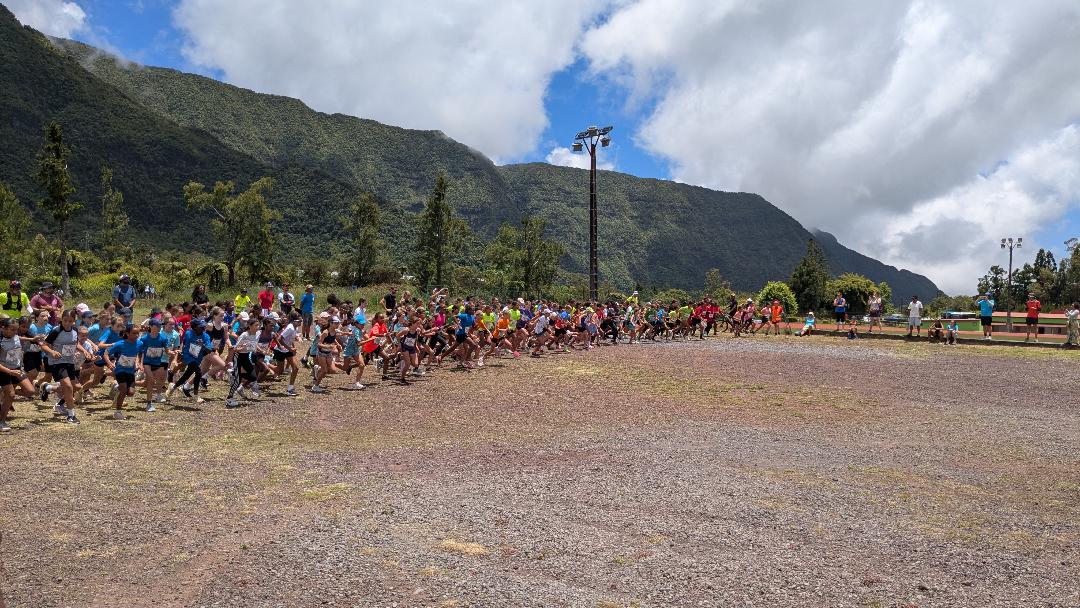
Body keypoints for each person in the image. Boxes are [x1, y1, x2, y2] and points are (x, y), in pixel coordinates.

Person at [0, 317, 37, 433]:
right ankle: (2, 421)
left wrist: (32, 339)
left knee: (30, 391)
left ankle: (4, 393)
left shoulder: (15, 336)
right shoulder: (1, 341)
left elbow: (19, 338)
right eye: (12, 329)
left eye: (16, 329)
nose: (15, 332)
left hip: (17, 369)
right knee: (11, 395)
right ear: (3, 328)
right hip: (3, 371)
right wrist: (9, 371)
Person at [103, 325, 142, 420]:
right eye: (134, 333)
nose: (136, 335)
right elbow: (106, 353)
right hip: (120, 370)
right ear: (127, 333)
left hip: (131, 371)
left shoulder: (139, 343)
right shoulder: (120, 344)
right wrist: (109, 363)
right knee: (123, 390)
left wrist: (139, 363)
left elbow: (140, 353)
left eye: (138, 333)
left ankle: (116, 387)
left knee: (131, 392)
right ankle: (118, 412)